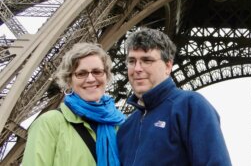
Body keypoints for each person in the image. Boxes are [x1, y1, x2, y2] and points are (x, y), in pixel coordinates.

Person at [117, 28, 232, 166]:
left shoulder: (191, 106)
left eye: (146, 60)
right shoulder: (126, 127)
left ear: (168, 66)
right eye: (131, 61)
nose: (137, 69)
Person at [22, 42, 125, 166]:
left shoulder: (122, 124)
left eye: (97, 72)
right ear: (69, 80)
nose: (91, 79)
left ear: (106, 76)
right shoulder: (49, 123)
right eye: (81, 73)